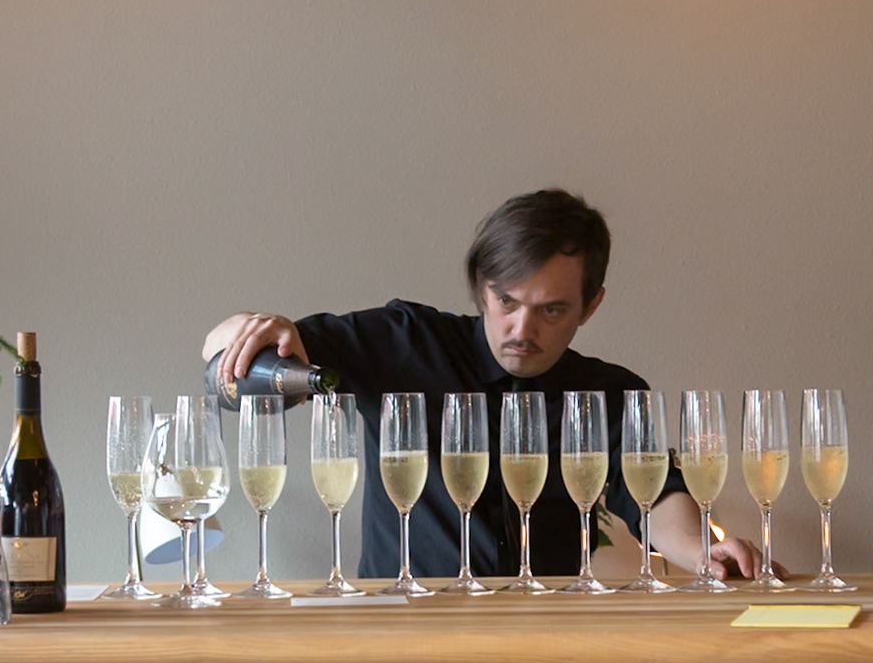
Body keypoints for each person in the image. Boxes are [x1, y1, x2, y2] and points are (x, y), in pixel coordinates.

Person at [203, 189, 757, 581]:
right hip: (402, 630)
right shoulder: (404, 343)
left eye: (552, 310)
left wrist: (704, 553)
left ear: (590, 306)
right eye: (506, 302)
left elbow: (655, 493)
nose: (522, 330)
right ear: (480, 288)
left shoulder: (608, 394)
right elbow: (221, 357)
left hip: (541, 635)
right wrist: (253, 329)